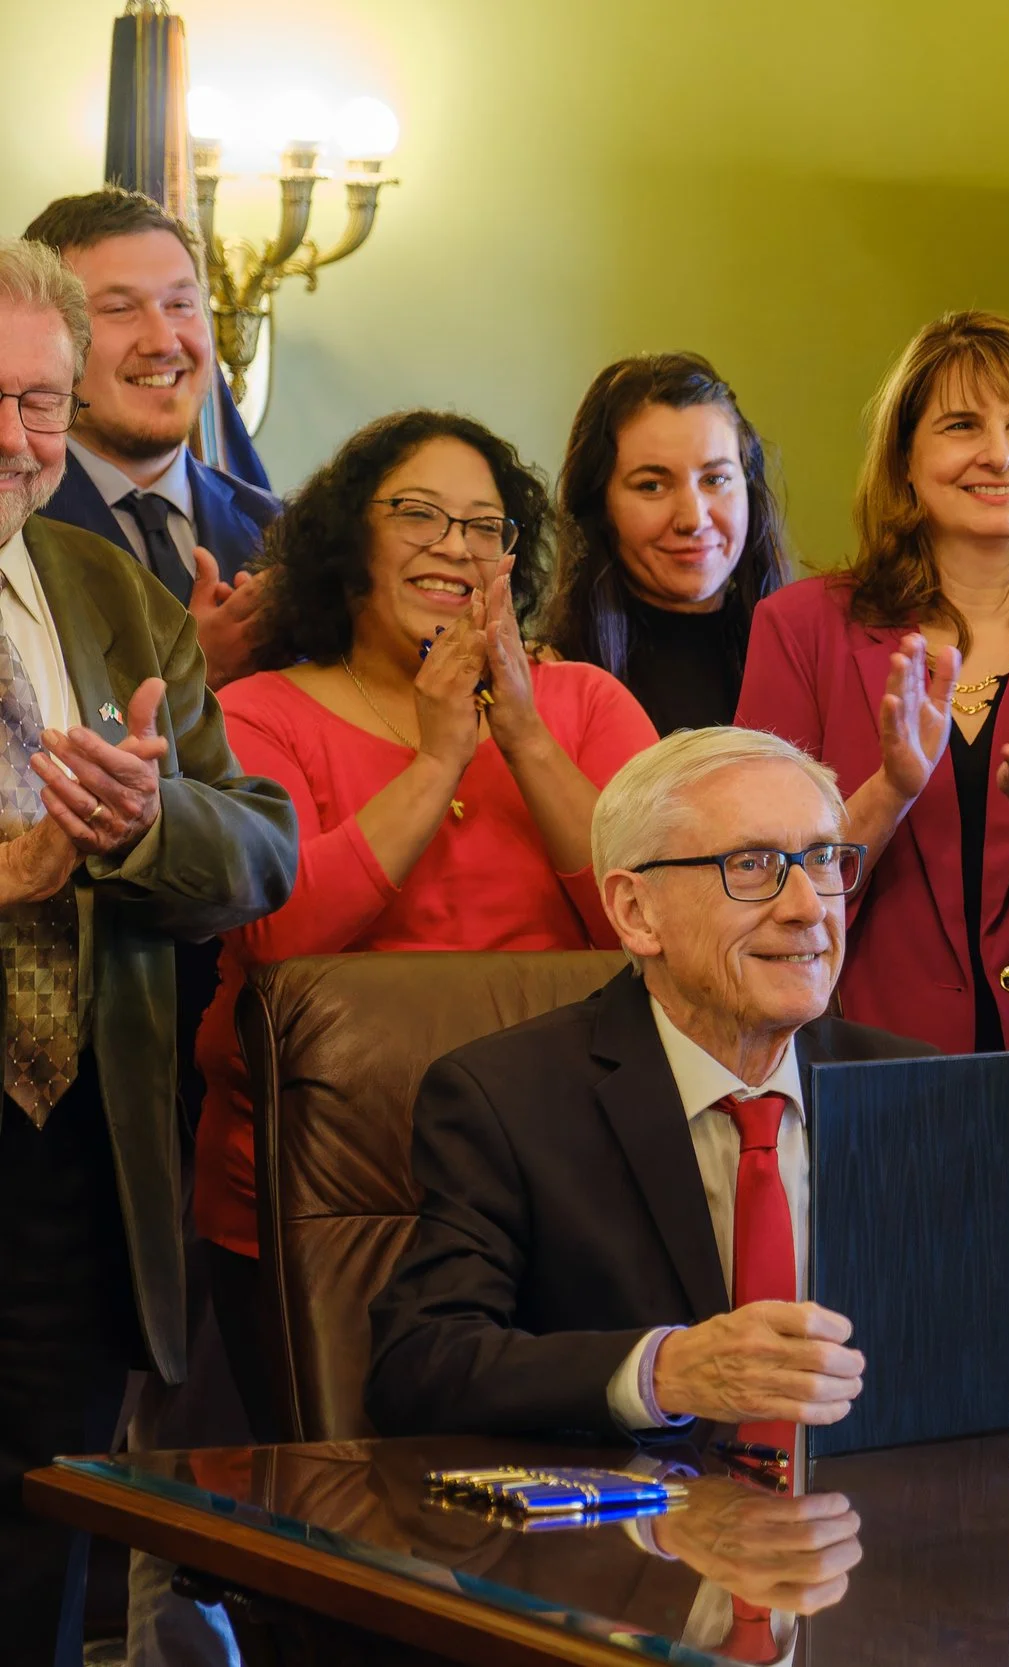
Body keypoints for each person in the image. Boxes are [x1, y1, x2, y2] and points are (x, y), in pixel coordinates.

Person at [365, 726, 1009, 1440]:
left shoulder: (926, 1090)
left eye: (826, 861)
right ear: (634, 909)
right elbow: (419, 1364)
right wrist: (668, 1367)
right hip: (635, 1576)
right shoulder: (504, 1096)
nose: (807, 908)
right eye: (752, 865)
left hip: (892, 1566)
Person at [196, 409, 659, 1438]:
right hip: (324, 1190)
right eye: (417, 514)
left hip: (560, 1183)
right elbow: (278, 938)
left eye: (484, 526)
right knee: (333, 1523)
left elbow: (655, 916)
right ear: (349, 541)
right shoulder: (260, 712)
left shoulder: (586, 702)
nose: (454, 545)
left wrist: (522, 730)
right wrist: (440, 758)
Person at [0, 239, 295, 1667]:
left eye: (43, 406)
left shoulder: (105, 588)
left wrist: (139, 821)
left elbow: (263, 847)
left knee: (43, 1577)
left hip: (78, 1174)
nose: (17, 440)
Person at [736, 311, 1009, 1054]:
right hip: (876, 1061)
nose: (1000, 453)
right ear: (905, 460)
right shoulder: (800, 628)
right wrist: (889, 790)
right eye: (961, 425)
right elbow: (761, 895)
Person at [22, 189, 280, 688]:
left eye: (181, 304)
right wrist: (196, 675)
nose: (164, 341)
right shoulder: (14, 524)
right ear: (49, 338)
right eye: (119, 309)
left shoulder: (276, 530)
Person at [539, 352, 793, 734]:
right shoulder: (551, 679)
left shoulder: (804, 659)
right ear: (599, 507)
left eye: (715, 480)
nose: (693, 519)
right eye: (652, 486)